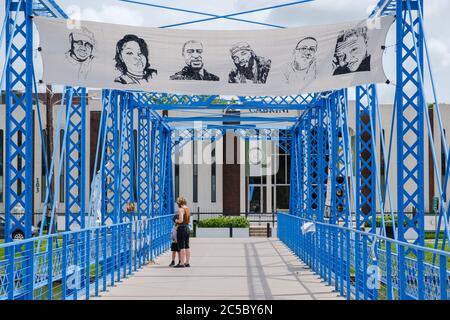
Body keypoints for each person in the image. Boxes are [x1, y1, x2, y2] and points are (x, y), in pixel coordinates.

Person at [174, 196, 191, 268]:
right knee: (187, 246)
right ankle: (187, 262)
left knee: (182, 247)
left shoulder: (181, 209)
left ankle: (181, 263)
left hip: (181, 229)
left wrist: (175, 220)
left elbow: (180, 220)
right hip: (187, 228)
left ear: (179, 203)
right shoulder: (187, 209)